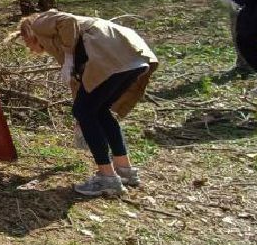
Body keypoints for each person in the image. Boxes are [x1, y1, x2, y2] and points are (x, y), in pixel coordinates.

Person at [12, 11, 158, 198]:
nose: (29, 48)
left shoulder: (40, 24)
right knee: (98, 111)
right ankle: (124, 170)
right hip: (131, 57)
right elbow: (79, 83)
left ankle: (108, 179)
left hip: (114, 58)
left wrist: (69, 56)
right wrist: (80, 117)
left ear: (29, 32)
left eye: (26, 42)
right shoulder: (62, 41)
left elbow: (67, 21)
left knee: (88, 111)